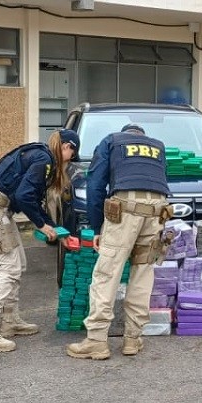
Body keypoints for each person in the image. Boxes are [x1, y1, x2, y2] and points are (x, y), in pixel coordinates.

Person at [67, 123, 171, 361]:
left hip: (125, 209)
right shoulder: (158, 146)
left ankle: (96, 341)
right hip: (157, 211)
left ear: (126, 133)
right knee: (143, 271)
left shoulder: (112, 141)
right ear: (142, 136)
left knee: (107, 272)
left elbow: (95, 184)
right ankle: (133, 339)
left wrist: (97, 227)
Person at [0, 129, 79, 352]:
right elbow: (24, 196)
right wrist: (41, 225)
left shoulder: (41, 155)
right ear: (67, 146)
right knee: (8, 269)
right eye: (73, 154)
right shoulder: (44, 160)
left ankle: (10, 322)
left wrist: (57, 231)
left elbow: (32, 201)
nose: (71, 160)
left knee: (18, 264)